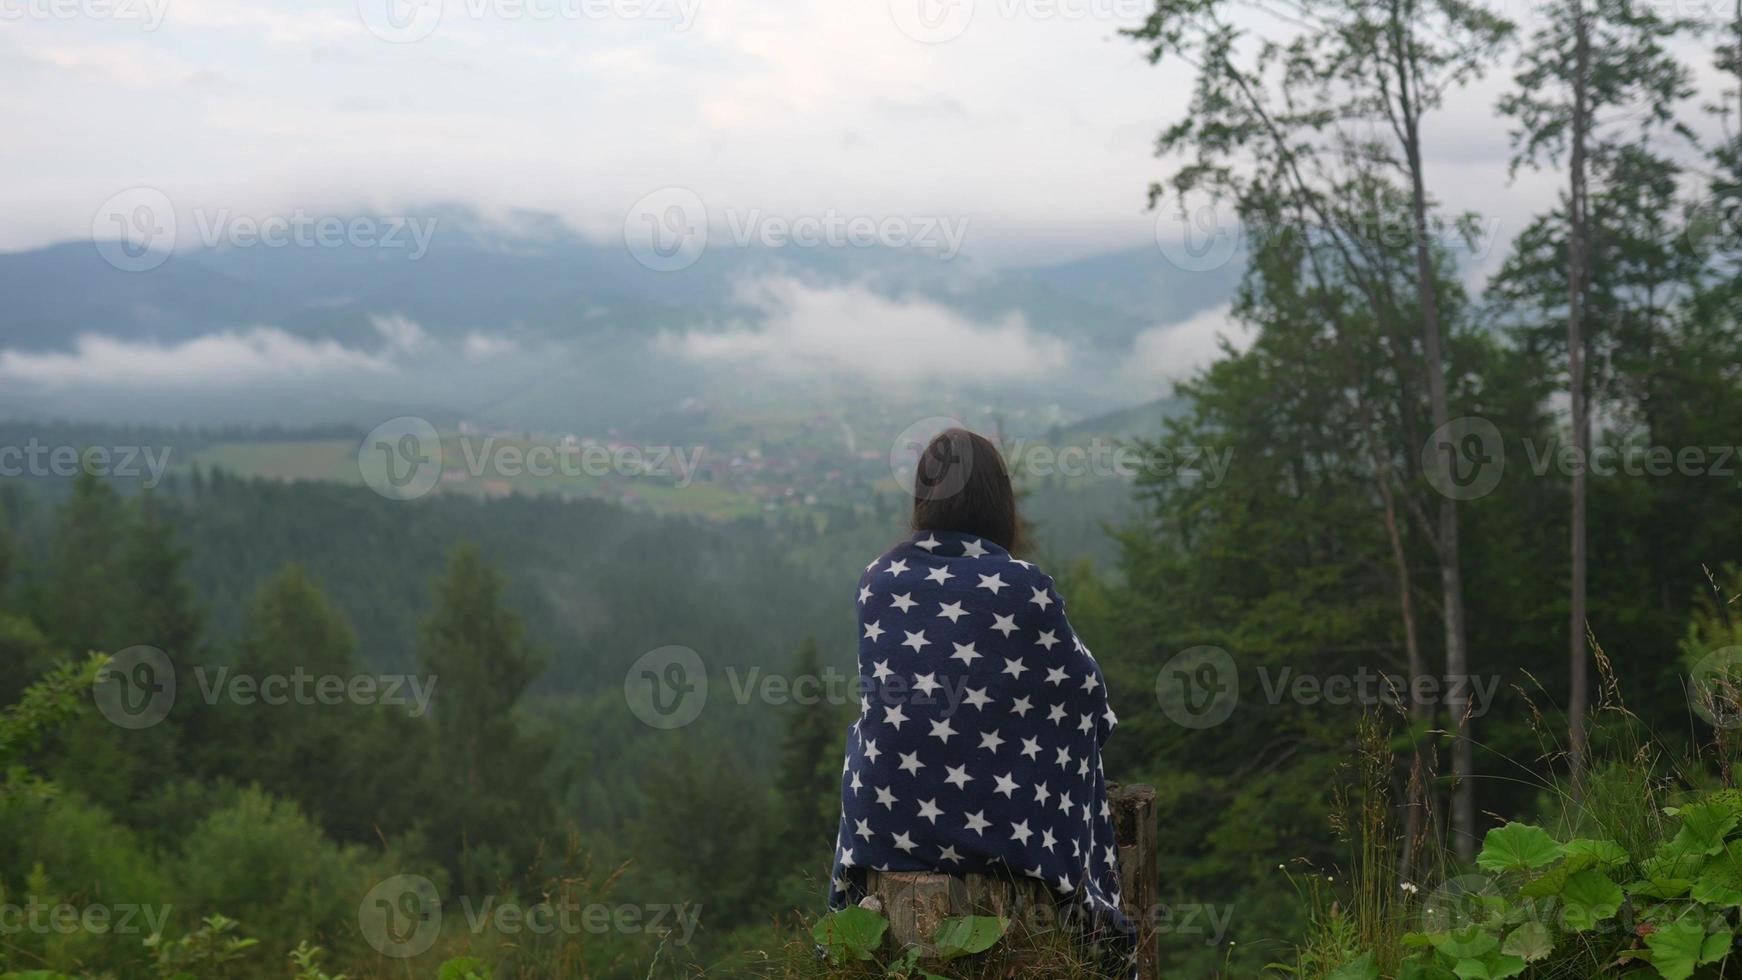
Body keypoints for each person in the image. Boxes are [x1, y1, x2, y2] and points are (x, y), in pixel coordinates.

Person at [827, 427, 1134, 974]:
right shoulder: (1024, 586)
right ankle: (1097, 933)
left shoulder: (877, 580)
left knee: (867, 734)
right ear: (1000, 503)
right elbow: (1090, 703)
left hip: (885, 814)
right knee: (1076, 752)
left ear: (922, 500)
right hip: (1003, 820)